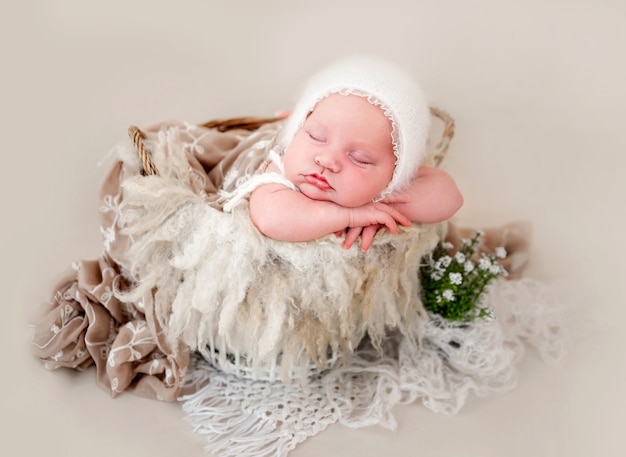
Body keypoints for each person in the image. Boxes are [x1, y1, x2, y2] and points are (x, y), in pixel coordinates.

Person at [248, 56, 463, 251]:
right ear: (297, 130)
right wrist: (350, 215)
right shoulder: (283, 161)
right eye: (316, 137)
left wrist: (378, 203)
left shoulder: (386, 182)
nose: (326, 160)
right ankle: (285, 118)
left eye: (359, 158)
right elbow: (269, 218)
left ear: (394, 174)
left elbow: (450, 197)